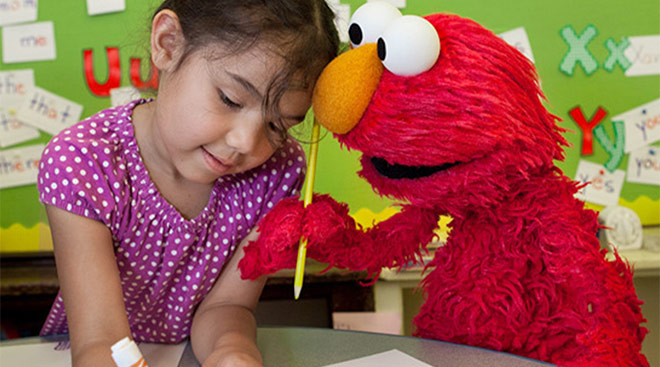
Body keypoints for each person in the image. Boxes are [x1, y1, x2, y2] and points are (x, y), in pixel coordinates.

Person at [36, 1, 339, 366]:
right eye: (230, 99)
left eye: (278, 126)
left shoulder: (277, 173)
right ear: (167, 44)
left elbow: (228, 306)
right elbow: (100, 340)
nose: (246, 142)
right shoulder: (83, 163)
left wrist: (233, 351)